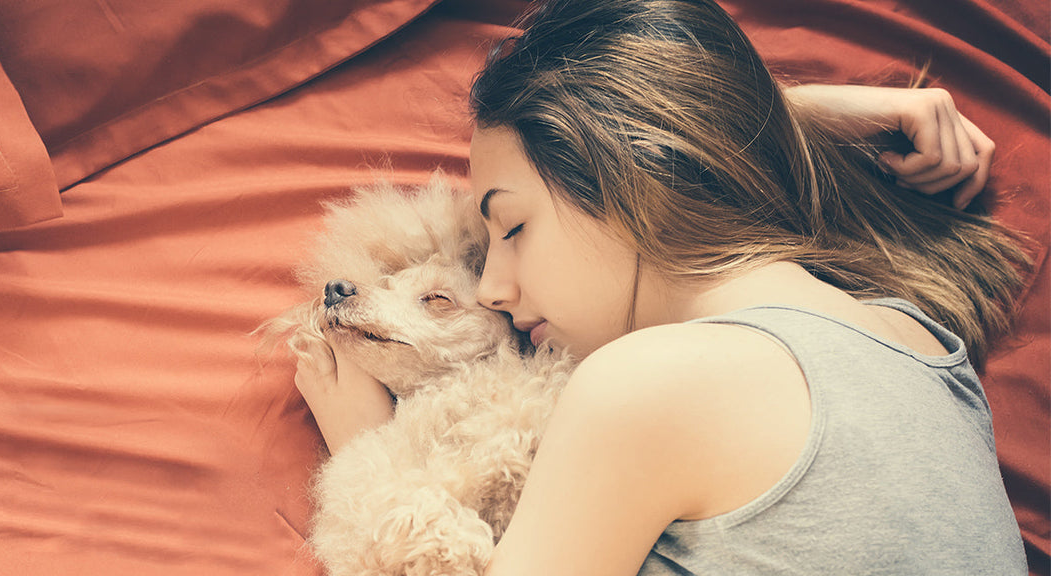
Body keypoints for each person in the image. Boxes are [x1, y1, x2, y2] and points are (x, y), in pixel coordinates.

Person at [295, 0, 1031, 573]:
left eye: (512, 229)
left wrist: (373, 448)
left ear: (633, 172)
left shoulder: (647, 388)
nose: (492, 289)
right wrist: (780, 118)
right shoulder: (917, 341)